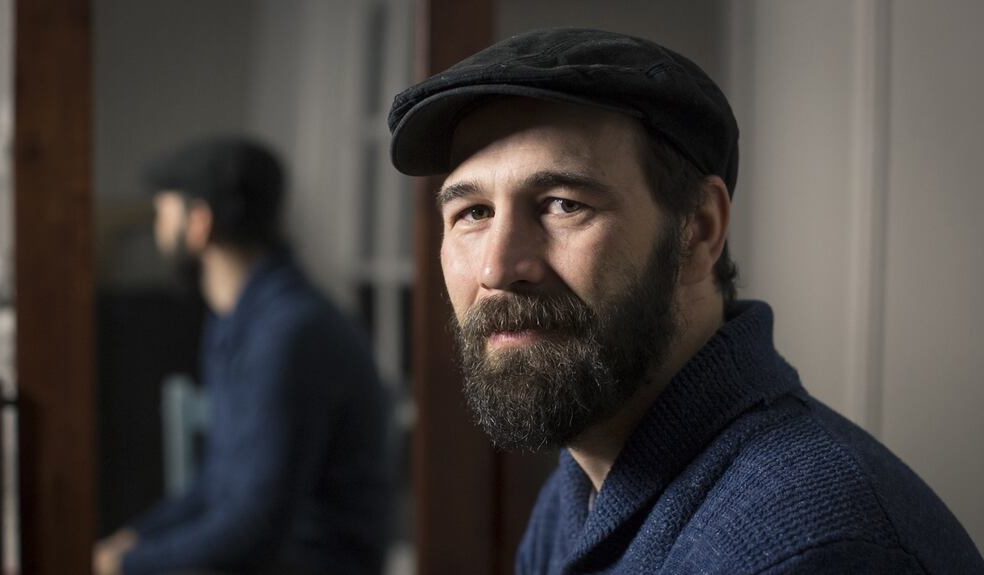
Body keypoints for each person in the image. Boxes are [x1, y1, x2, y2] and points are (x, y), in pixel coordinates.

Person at [388, 28, 984, 574]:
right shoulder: (584, 476)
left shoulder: (810, 550)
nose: (497, 267)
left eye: (563, 204)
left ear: (698, 229)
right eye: (472, 213)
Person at [93, 137, 394, 575]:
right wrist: (133, 539)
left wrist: (127, 565)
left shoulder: (291, 331)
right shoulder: (238, 318)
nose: (158, 223)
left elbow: (256, 527)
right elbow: (219, 481)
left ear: (199, 223)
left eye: (164, 209)